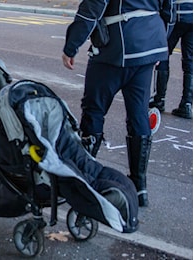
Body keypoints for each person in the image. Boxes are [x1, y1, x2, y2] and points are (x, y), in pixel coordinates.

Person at [61, 0, 174, 207]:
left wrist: (71, 47)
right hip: (149, 44)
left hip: (117, 47)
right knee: (138, 114)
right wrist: (160, 44)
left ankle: (86, 177)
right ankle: (139, 187)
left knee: (94, 110)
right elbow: (169, 11)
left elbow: (91, 10)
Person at [150, 0, 193, 119]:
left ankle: (159, 99)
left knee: (164, 54)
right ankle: (187, 103)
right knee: (190, 61)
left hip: (177, 13)